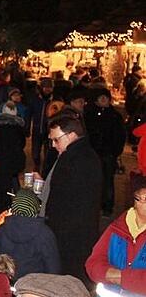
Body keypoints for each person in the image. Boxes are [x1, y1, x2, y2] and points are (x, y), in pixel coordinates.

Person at [41, 113, 102, 281]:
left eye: (56, 140)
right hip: (80, 234)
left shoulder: (71, 159)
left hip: (69, 236)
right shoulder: (86, 155)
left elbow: (63, 201)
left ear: (71, 135)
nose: (53, 145)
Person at [0, 189, 60, 282]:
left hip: (8, 280)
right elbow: (52, 265)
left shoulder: (1, 229)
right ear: (35, 207)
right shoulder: (44, 233)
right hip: (34, 285)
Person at [84, 88, 125, 216]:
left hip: (108, 153)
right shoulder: (89, 114)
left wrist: (116, 151)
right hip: (93, 152)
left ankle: (107, 206)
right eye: (101, 98)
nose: (104, 100)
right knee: (92, 179)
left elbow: (121, 135)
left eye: (106, 98)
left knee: (107, 180)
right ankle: (92, 204)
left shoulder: (115, 116)